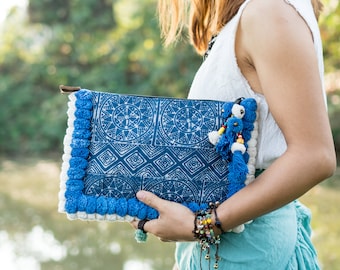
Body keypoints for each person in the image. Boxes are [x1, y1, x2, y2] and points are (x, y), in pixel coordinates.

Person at [132, 0, 337, 269]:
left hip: (246, 251)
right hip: (225, 246)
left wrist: (202, 224)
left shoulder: (268, 11)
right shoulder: (251, 15)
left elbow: (315, 156)